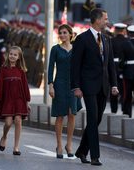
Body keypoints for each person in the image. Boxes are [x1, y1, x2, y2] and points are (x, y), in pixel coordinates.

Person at [71, 8, 118, 165]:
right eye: (105, 18)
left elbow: (110, 65)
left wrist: (114, 85)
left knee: (96, 120)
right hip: (88, 86)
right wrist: (76, 87)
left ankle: (82, 151)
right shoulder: (82, 39)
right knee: (92, 118)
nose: (107, 21)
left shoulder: (106, 39)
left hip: (103, 86)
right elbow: (75, 65)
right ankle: (94, 156)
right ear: (97, 20)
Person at [48, 24, 82, 159]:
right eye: (60, 33)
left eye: (64, 33)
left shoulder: (77, 49)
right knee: (60, 115)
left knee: (72, 114)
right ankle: (59, 145)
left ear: (70, 34)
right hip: (60, 84)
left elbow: (81, 67)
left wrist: (81, 86)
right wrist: (51, 85)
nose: (62, 35)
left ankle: (69, 145)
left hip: (73, 85)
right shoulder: (55, 49)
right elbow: (50, 68)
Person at [0, 46, 30, 155]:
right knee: (8, 123)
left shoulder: (21, 70)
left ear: (19, 57)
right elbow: (0, 85)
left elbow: (25, 86)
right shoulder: (3, 69)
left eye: (15, 55)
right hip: (8, 100)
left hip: (19, 99)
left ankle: (16, 147)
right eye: (11, 54)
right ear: (7, 55)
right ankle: (4, 136)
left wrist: (27, 101)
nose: (12, 56)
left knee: (18, 120)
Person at [110, 23, 128, 113]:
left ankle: (114, 110)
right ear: (124, 30)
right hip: (124, 67)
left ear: (116, 30)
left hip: (113, 66)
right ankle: (125, 110)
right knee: (124, 90)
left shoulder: (111, 40)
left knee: (113, 88)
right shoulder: (127, 41)